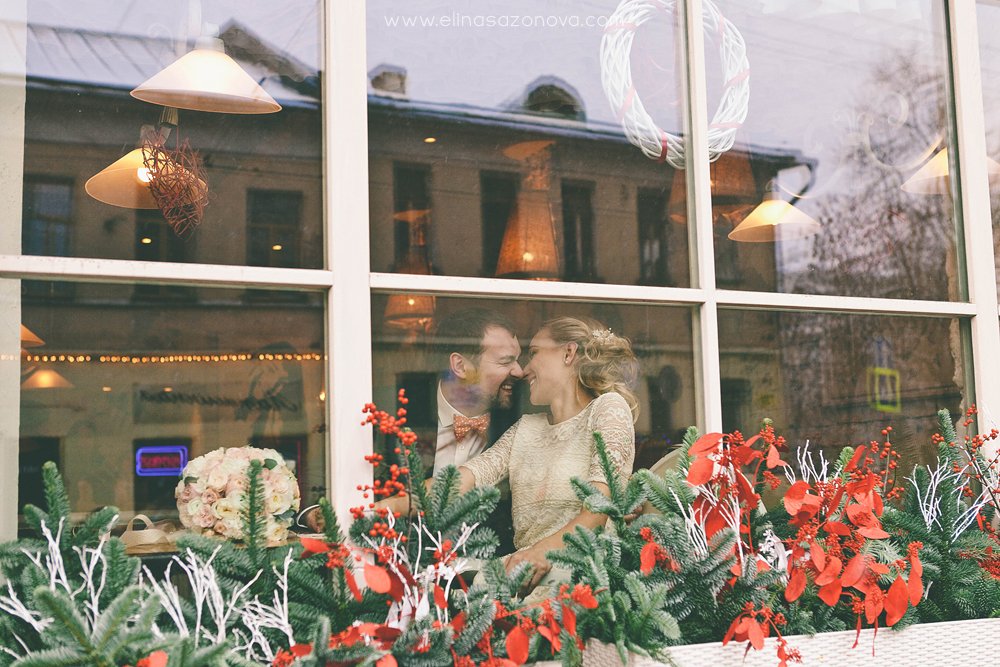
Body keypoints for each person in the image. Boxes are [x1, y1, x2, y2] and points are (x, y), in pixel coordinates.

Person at [383, 315, 639, 593]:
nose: (524, 370)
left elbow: (598, 510)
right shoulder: (526, 428)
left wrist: (539, 553)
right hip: (521, 579)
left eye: (534, 353)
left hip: (585, 582)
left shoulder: (608, 408)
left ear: (568, 353)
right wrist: (380, 508)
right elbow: (460, 482)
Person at [297, 308, 524, 532]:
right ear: (460, 366)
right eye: (506, 362)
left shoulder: (519, 425)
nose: (519, 372)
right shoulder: (391, 412)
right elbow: (318, 488)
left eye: (517, 360)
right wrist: (316, 513)